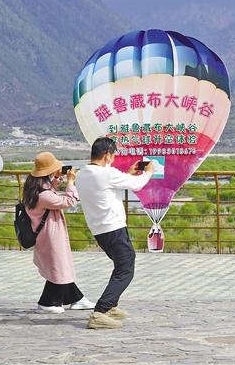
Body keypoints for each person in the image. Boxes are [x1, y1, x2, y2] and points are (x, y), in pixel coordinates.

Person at [76, 137, 154, 329]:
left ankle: (110, 305)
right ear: (107, 155)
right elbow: (136, 184)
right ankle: (100, 311)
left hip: (99, 230)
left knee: (120, 265)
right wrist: (149, 172)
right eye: (113, 155)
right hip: (114, 228)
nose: (113, 159)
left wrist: (127, 174)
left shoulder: (82, 174)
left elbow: (107, 187)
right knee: (125, 268)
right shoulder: (107, 173)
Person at [24, 152, 94, 313]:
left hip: (47, 236)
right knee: (59, 268)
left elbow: (51, 190)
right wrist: (70, 182)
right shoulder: (44, 196)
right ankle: (47, 303)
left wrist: (57, 179)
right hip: (51, 237)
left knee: (61, 267)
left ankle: (77, 299)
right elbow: (69, 201)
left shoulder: (35, 190)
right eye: (54, 172)